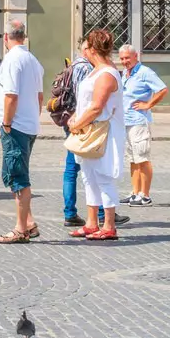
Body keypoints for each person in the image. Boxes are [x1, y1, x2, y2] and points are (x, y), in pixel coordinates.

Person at [65, 28, 125, 242]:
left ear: (92, 49)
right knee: (88, 176)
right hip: (89, 129)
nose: (84, 51)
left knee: (103, 176)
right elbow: (86, 103)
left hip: (102, 131)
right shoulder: (95, 70)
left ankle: (109, 225)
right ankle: (92, 223)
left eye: (86, 47)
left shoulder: (107, 74)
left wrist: (76, 124)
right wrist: (75, 117)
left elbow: (97, 107)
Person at [0, 20, 45, 244]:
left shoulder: (13, 60)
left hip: (16, 126)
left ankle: (20, 229)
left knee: (18, 176)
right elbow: (40, 97)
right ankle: (30, 223)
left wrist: (6, 122)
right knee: (15, 172)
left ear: (6, 37)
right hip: (28, 124)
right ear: (24, 36)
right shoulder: (32, 60)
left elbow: (11, 95)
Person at [117, 43, 169, 206]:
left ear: (135, 56)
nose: (125, 61)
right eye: (122, 58)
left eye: (127, 58)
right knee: (132, 159)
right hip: (127, 120)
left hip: (139, 121)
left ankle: (145, 195)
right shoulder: (126, 73)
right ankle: (135, 192)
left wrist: (148, 104)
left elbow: (162, 89)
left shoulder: (145, 72)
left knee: (142, 158)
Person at [47, 47, 92, 227]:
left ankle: (70, 212)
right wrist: (81, 122)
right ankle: (101, 212)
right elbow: (84, 98)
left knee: (72, 166)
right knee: (89, 167)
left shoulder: (72, 66)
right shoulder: (84, 68)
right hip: (78, 121)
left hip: (68, 117)